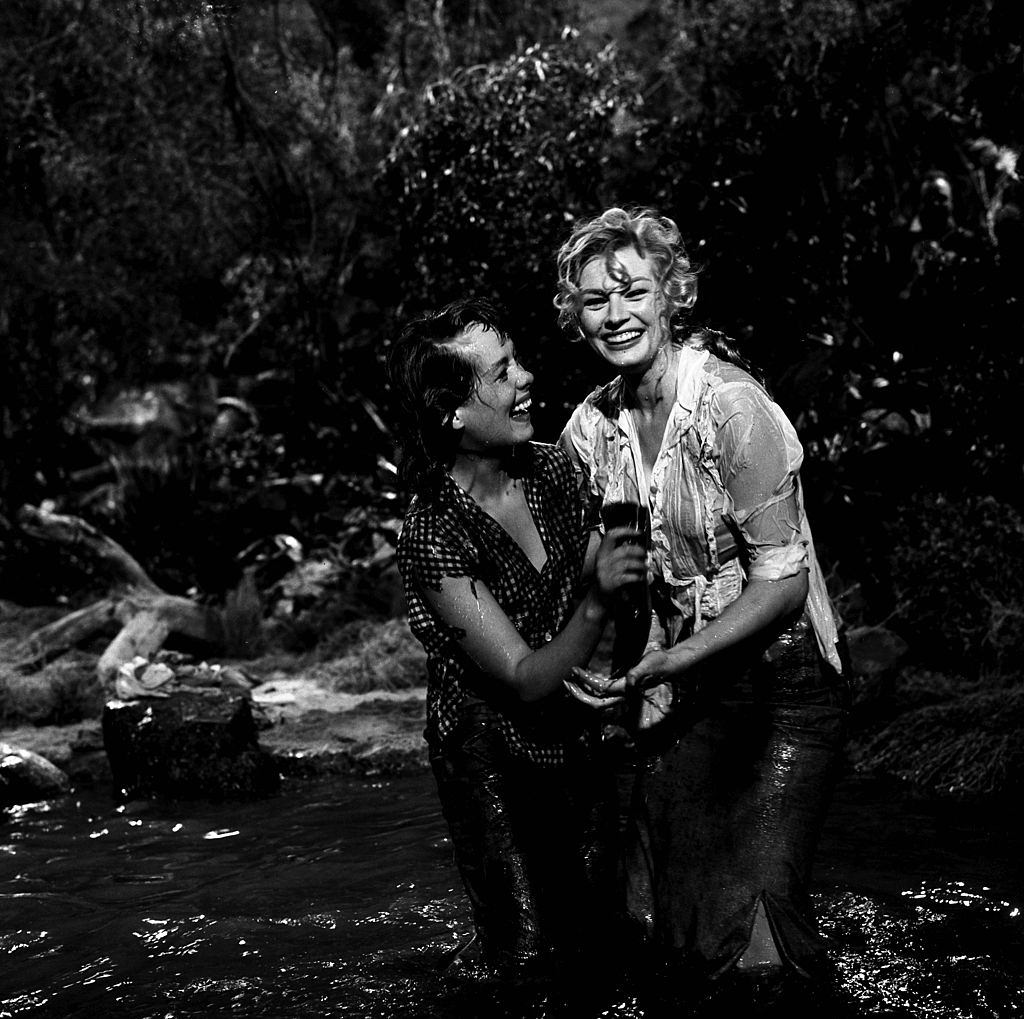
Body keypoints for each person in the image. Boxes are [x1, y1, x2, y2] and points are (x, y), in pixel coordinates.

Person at [553, 207, 850, 984]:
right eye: (595, 299)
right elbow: (585, 556)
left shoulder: (731, 406)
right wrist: (606, 652)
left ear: (669, 295)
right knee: (673, 923)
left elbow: (782, 585)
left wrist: (670, 659)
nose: (616, 315)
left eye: (633, 291)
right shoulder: (591, 425)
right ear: (576, 314)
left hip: (786, 682)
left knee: (761, 937)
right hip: (692, 680)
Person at [387, 297, 646, 978]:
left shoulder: (551, 470)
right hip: (487, 750)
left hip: (566, 730)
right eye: (503, 373)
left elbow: (588, 564)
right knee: (522, 956)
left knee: (600, 934)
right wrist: (597, 598)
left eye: (518, 361)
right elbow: (524, 674)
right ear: (453, 414)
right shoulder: (433, 531)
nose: (527, 377)